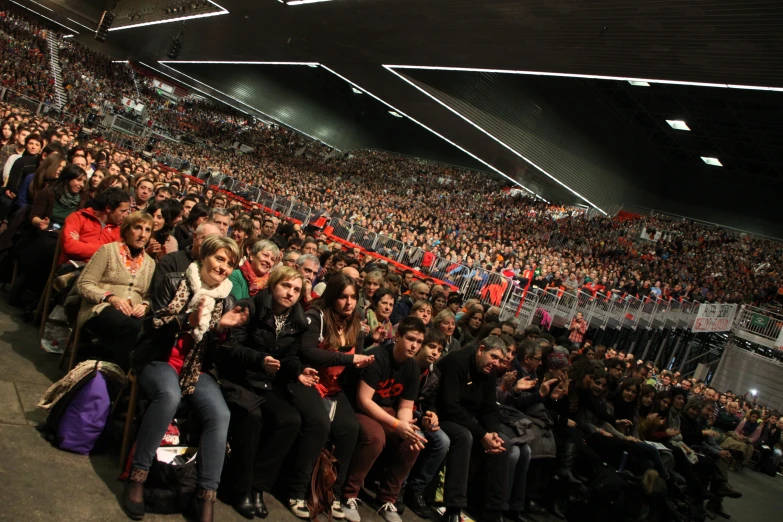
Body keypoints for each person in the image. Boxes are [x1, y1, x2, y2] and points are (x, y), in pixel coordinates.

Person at [122, 235, 247, 522]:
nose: (223, 267)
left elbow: (219, 352)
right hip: (159, 358)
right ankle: (137, 476)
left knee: (220, 414)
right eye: (219, 258)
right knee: (169, 396)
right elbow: (151, 326)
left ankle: (206, 496)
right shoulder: (176, 280)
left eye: (229, 264)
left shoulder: (227, 297)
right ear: (205, 256)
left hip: (195, 367)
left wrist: (221, 329)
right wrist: (185, 321)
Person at [218, 266, 319, 519]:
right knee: (253, 418)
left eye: (296, 289)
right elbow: (230, 347)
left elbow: (290, 358)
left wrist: (298, 371)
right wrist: (260, 360)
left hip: (267, 382)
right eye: (286, 286)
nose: (291, 293)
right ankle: (238, 488)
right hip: (238, 377)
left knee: (291, 420)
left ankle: (257, 487)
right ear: (273, 285)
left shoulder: (297, 319)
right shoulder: (250, 306)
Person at [287, 274, 375, 520]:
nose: (349, 303)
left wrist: (364, 362)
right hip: (308, 379)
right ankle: (296, 491)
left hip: (334, 388)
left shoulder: (355, 325)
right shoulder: (317, 317)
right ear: (332, 297)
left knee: (350, 428)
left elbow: (355, 360)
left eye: (353, 297)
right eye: (343, 297)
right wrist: (348, 359)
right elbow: (308, 351)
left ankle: (331, 494)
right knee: (320, 425)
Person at [341, 317, 428, 522]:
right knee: (376, 436)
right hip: (358, 406)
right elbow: (364, 400)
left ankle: (387, 497)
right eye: (410, 339)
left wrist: (405, 426)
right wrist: (396, 424)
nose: (414, 345)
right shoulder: (378, 357)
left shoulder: (413, 368)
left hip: (386, 410)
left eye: (419, 341)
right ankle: (348, 494)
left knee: (414, 441)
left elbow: (406, 406)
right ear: (397, 337)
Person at [436, 336, 510, 522]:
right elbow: (449, 405)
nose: (495, 363)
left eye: (500, 360)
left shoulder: (489, 371)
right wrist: (481, 433)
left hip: (468, 418)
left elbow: (489, 406)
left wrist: (492, 432)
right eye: (493, 357)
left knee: (503, 442)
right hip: (442, 414)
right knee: (465, 436)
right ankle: (453, 507)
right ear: (480, 349)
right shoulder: (457, 361)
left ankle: (494, 511)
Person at [76, 212, 156, 370]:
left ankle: (121, 375)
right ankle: (118, 377)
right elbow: (83, 283)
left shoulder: (150, 263)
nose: (142, 234)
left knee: (149, 332)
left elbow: (149, 295)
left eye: (147, 230)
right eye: (138, 228)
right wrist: (110, 298)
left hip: (132, 315)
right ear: (126, 230)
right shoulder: (108, 250)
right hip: (100, 309)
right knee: (130, 328)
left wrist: (145, 305)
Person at [404, 329, 449, 518]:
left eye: (439, 350)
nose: (435, 353)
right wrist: (419, 415)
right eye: (431, 347)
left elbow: (430, 400)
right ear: (421, 346)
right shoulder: (407, 365)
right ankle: (399, 486)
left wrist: (432, 414)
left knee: (443, 441)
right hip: (401, 412)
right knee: (418, 437)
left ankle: (416, 489)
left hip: (419, 414)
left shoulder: (434, 374)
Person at [59, 187, 130, 264]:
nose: (126, 215)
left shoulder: (119, 230)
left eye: (127, 211)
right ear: (108, 208)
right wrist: (108, 250)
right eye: (123, 211)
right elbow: (70, 247)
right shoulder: (78, 218)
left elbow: (120, 256)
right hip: (72, 269)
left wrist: (80, 244)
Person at [151, 222, 222, 294]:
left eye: (212, 242)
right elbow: (159, 295)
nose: (207, 245)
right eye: (204, 238)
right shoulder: (170, 261)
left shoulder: (217, 270)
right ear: (194, 237)